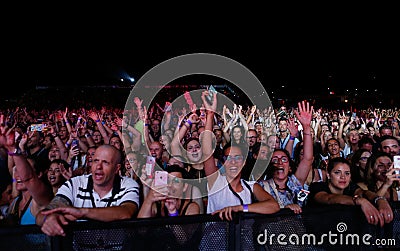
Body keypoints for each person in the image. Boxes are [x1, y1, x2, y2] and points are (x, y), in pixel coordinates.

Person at [201, 90, 279, 220]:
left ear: (243, 162)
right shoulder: (216, 182)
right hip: (216, 239)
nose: (233, 162)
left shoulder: (251, 186)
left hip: (243, 240)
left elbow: (273, 206)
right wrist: (210, 115)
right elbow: (207, 152)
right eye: (228, 158)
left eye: (237, 158)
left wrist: (240, 208)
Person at [36, 144, 140, 236]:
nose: (98, 166)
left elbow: (126, 212)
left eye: (105, 162)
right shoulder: (74, 184)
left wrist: (82, 212)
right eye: (95, 161)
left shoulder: (127, 184)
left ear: (117, 168)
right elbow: (41, 216)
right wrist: (49, 219)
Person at [259, 100, 314, 214]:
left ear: (289, 167)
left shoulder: (294, 183)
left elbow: (307, 159)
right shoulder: (261, 187)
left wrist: (306, 128)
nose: (280, 162)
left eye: (284, 160)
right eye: (275, 160)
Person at [307, 157, 393, 227]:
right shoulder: (318, 186)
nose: (343, 177)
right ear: (328, 175)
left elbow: (364, 192)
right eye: (337, 173)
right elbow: (329, 198)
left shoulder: (351, 187)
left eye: (347, 173)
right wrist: (359, 201)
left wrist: (379, 200)